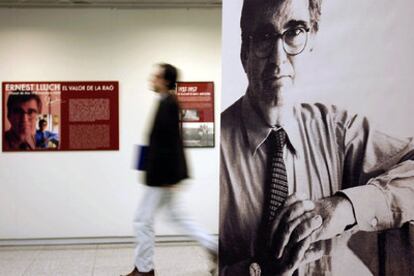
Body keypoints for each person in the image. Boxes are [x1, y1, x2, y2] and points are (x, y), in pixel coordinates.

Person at [220, 0, 414, 275]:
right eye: (264, 36)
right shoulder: (211, 150)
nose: (278, 58)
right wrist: (257, 270)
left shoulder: (339, 130)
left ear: (312, 41)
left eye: (294, 32)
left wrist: (345, 207)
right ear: (244, 52)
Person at [123, 63, 218, 276]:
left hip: (161, 177)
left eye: (155, 76)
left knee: (142, 220)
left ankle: (145, 270)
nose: (151, 79)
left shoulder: (169, 104)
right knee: (177, 217)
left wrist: (170, 177)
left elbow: (171, 142)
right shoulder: (165, 102)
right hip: (163, 175)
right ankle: (215, 248)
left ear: (165, 80)